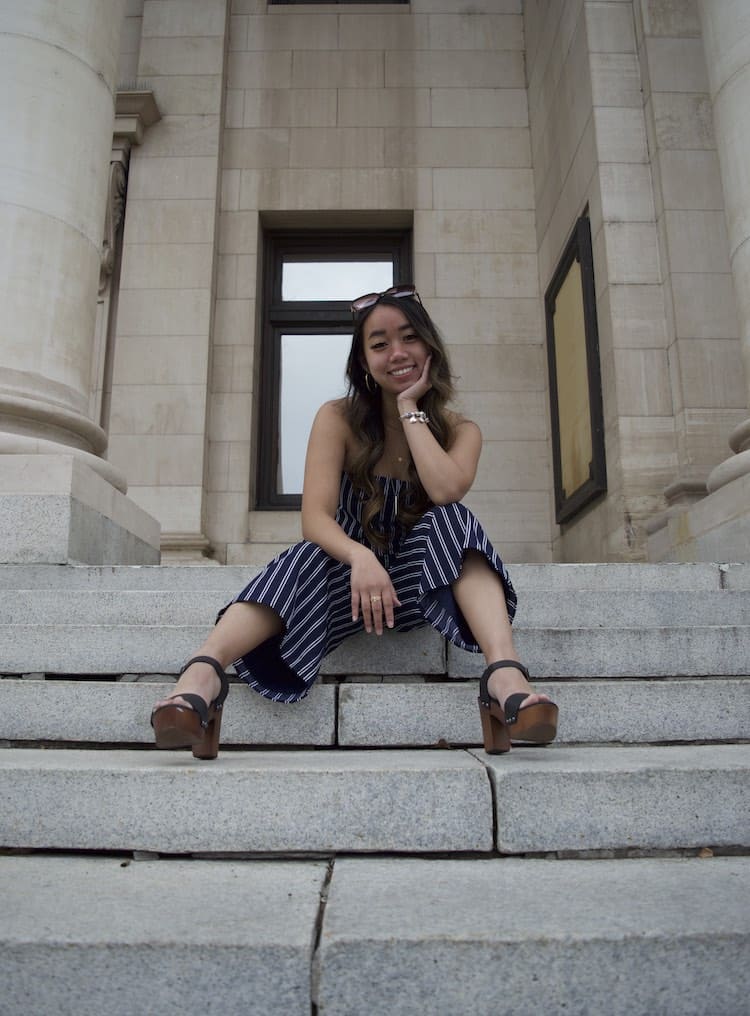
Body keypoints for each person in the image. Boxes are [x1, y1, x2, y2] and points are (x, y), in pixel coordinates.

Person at [150, 284, 558, 759]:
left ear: (430, 347)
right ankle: (201, 677)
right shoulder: (337, 418)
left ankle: (504, 674)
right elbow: (314, 518)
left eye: (408, 338)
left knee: (453, 519)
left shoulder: (461, 431)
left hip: (417, 590)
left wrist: (410, 410)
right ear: (364, 361)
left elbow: (446, 490)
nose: (397, 353)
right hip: (343, 586)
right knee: (308, 554)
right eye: (379, 344)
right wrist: (360, 555)